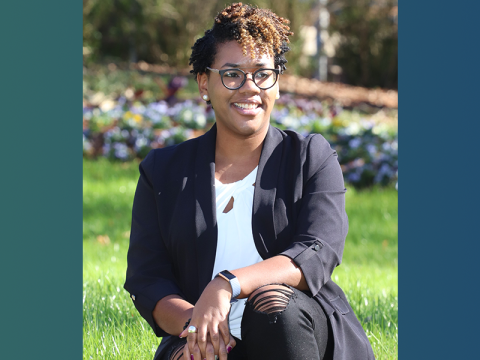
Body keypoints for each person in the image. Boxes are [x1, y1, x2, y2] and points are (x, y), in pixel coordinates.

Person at [124, 3, 375, 360]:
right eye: (231, 75)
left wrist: (226, 283)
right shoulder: (162, 171)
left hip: (295, 336)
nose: (249, 88)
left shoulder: (310, 158)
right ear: (204, 84)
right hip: (205, 340)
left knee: (273, 308)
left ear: (276, 84)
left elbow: (316, 253)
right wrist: (197, 324)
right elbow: (148, 279)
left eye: (262, 74)